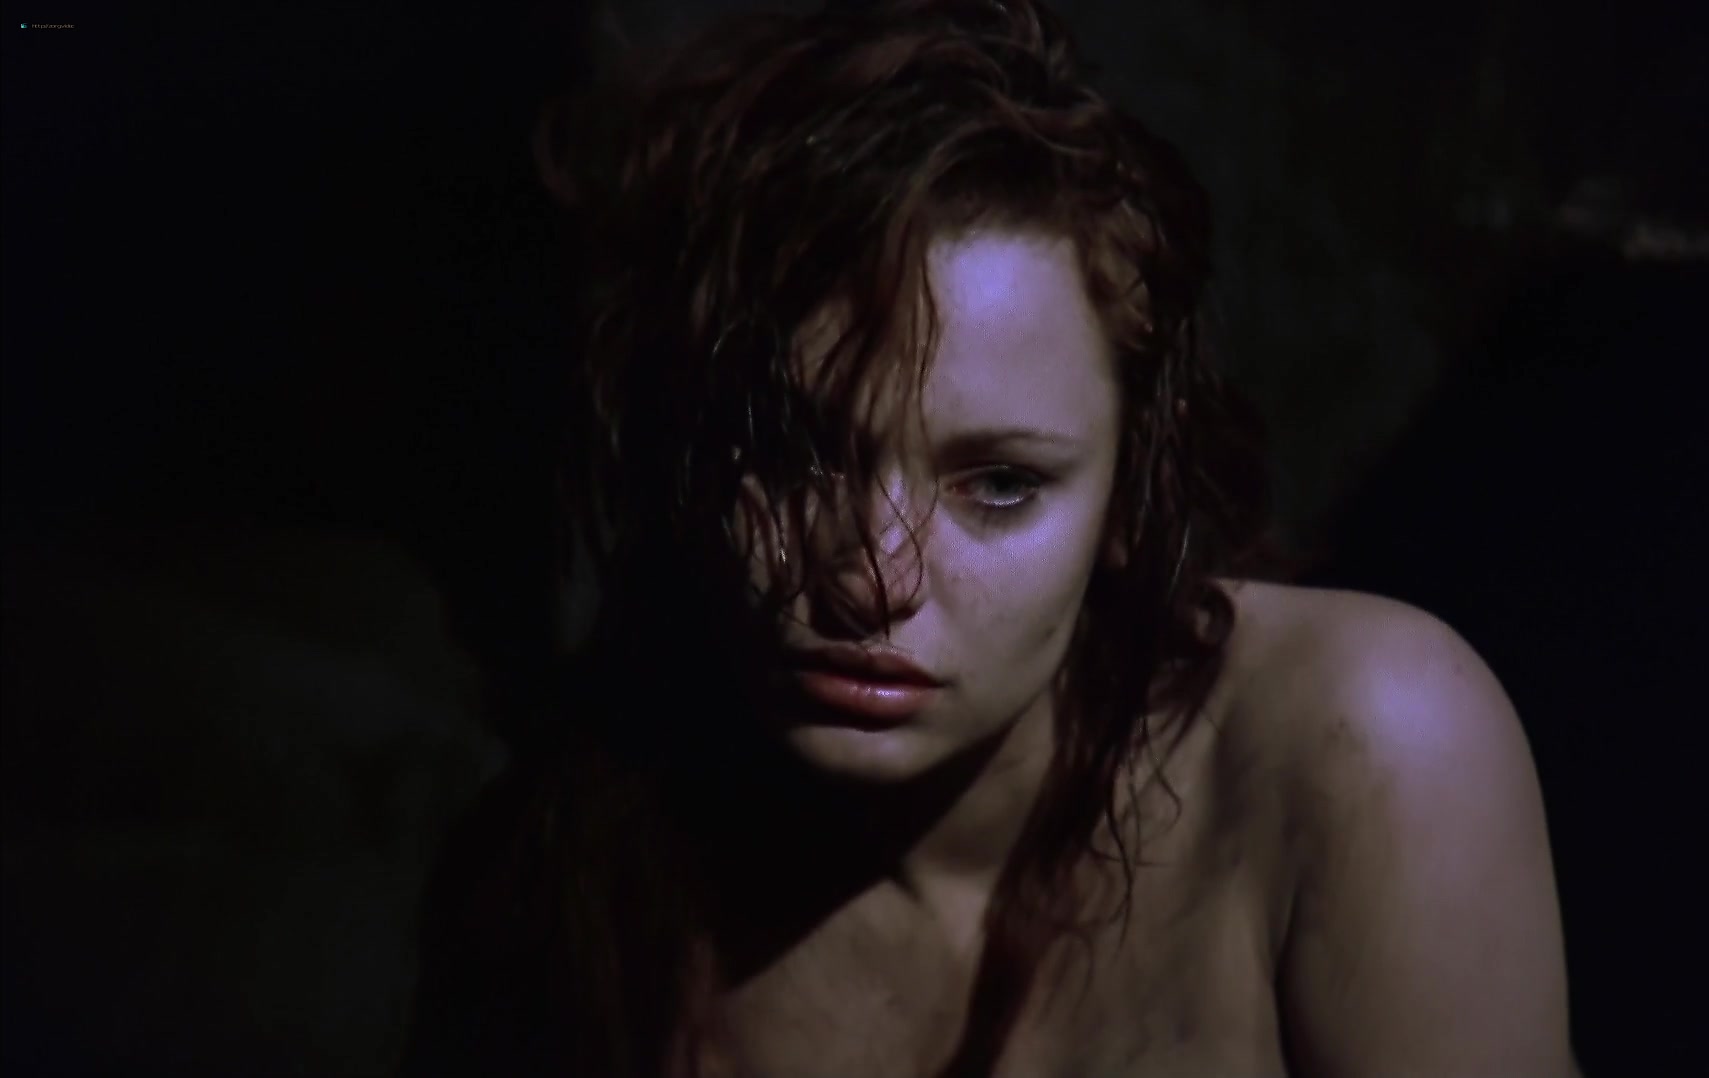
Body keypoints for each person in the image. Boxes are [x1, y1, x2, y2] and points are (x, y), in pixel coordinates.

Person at [404, 1, 1580, 1075]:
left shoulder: (1361, 745)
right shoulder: (577, 901)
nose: (873, 575)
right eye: (796, 454)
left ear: (1127, 501)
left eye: (1000, 484)